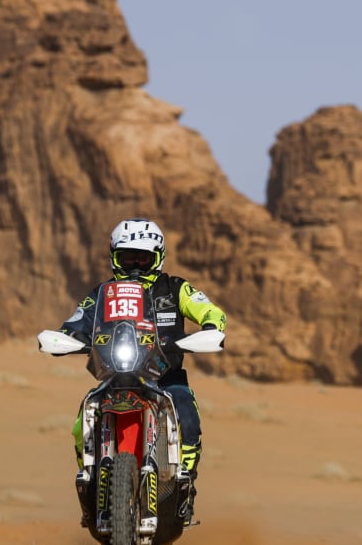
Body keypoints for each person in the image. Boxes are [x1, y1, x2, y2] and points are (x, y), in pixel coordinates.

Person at [57, 217, 227, 526]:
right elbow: (77, 319)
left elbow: (210, 311)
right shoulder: (102, 294)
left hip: (164, 377)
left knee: (187, 414)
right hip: (115, 374)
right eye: (128, 257)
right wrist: (67, 335)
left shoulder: (176, 288)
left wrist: (213, 327)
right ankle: (90, 484)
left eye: (143, 258)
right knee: (83, 417)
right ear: (115, 258)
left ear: (158, 257)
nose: (136, 265)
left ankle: (183, 491)